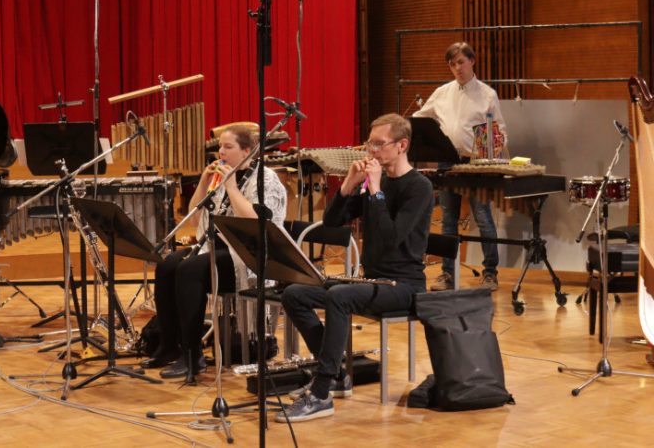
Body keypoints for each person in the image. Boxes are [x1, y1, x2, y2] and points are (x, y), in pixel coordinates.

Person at [277, 113, 433, 422]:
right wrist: (349, 184)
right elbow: (333, 222)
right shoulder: (376, 182)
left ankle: (321, 393)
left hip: (404, 286)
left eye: (379, 144)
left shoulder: (419, 187)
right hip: (373, 281)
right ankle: (336, 375)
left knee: (339, 297)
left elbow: (391, 239)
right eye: (369, 143)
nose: (371, 151)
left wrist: (375, 190)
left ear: (401, 145)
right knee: (295, 293)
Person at [142, 124, 287, 381]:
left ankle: (193, 354)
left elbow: (257, 223)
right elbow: (195, 218)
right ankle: (169, 345)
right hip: (218, 247)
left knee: (190, 269)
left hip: (249, 257)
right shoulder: (222, 177)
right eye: (220, 146)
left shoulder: (265, 179)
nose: (221, 152)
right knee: (167, 265)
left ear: (247, 151)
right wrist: (203, 182)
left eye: (228, 147)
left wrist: (231, 187)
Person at [413, 41, 507, 291]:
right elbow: (420, 118)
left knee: (483, 218)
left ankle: (490, 273)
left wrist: (491, 149)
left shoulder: (487, 94)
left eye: (461, 62)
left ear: (472, 61)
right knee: (448, 219)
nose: (457, 68)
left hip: (476, 164)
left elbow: (500, 131)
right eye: (452, 64)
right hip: (447, 162)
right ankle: (448, 273)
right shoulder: (442, 92)